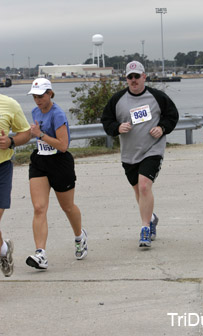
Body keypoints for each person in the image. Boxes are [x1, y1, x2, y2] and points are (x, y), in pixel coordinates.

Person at [101, 61, 179, 248]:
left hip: (152, 150)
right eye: (130, 77)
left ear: (144, 76)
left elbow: (172, 116)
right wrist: (117, 127)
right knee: (139, 191)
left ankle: (145, 228)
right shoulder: (118, 99)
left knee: (144, 187)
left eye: (137, 76)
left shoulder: (157, 97)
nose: (134, 80)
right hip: (129, 153)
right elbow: (106, 121)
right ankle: (151, 218)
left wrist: (162, 128)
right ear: (126, 79)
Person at [26, 78, 87, 270]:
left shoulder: (58, 114)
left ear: (50, 93)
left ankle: (79, 236)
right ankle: (40, 254)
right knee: (39, 207)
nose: (38, 100)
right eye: (35, 96)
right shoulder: (35, 111)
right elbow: (34, 134)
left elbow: (63, 145)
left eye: (41, 96)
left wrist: (41, 135)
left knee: (67, 207)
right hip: (40, 161)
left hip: (60, 163)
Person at [0, 94, 31, 277]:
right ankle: (3, 250)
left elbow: (26, 133)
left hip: (1, 168)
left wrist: (10, 141)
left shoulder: (9, 104)